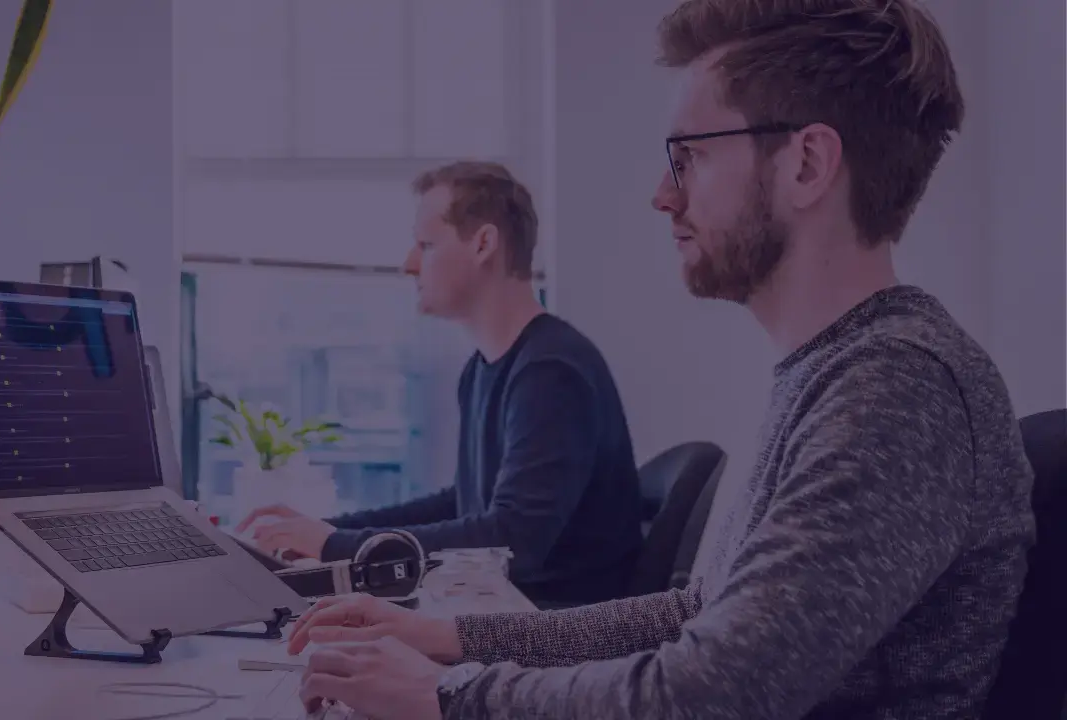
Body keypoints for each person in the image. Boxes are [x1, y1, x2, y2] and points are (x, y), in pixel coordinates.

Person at [280, 1, 1038, 718]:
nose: (661, 196)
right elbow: (697, 615)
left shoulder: (899, 390)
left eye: (689, 159)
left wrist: (448, 698)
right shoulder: (838, 371)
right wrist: (446, 640)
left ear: (806, 164)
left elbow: (706, 698)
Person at [235, 161, 646, 608]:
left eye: (426, 245)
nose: (409, 265)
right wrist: (331, 532)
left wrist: (338, 546)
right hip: (505, 611)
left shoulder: (551, 372)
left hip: (549, 633)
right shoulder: (485, 369)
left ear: (483, 244)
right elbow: (466, 505)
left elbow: (513, 541)